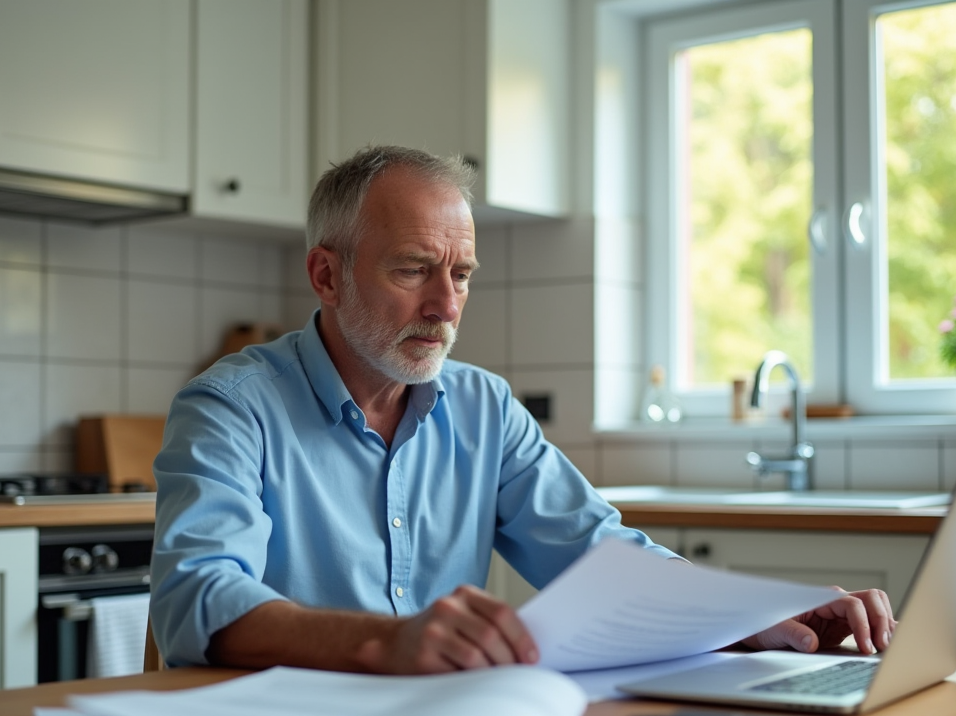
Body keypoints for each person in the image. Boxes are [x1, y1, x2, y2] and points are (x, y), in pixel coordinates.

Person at [150, 145, 896, 675]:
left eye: (461, 275)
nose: (446, 306)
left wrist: (755, 614)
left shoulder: (483, 407)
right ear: (326, 275)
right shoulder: (232, 407)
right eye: (413, 269)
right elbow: (197, 599)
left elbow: (601, 555)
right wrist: (386, 643)